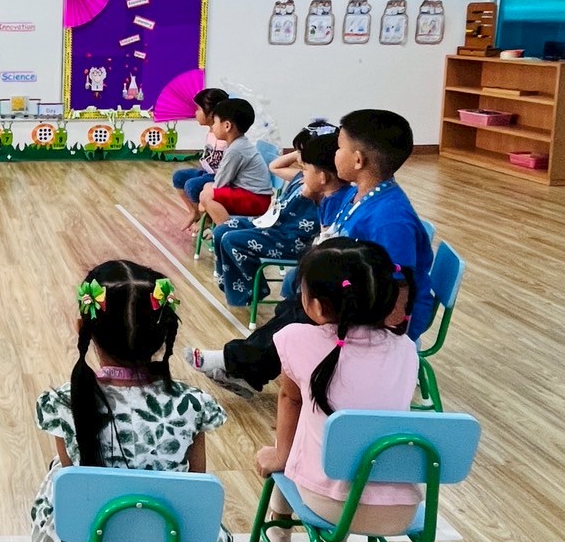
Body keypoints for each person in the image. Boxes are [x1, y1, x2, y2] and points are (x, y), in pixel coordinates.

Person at [30, 261, 234, 542]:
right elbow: (195, 484)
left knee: (58, 477)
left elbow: (73, 484)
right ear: (165, 332)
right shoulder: (193, 405)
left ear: (82, 327)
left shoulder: (64, 403)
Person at [184, 109, 434, 397]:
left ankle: (238, 364)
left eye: (339, 147)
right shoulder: (361, 196)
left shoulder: (389, 218)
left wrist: (392, 340)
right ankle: (245, 371)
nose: (334, 154)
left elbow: (400, 286)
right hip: (359, 297)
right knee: (295, 308)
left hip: (383, 316)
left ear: (357, 160)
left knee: (303, 317)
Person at [253, 238, 422, 542]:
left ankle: (280, 530)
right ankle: (337, 540)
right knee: (349, 432)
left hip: (328, 504)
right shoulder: (407, 349)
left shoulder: (295, 338)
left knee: (296, 436)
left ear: (317, 305)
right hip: (401, 510)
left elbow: (290, 399)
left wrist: (279, 456)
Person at [211, 124, 343, 307]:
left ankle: (251, 292)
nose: (300, 158)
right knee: (221, 230)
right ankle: (235, 285)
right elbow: (274, 166)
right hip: (271, 225)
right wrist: (299, 155)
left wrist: (311, 191)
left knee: (231, 239)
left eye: (303, 153)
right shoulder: (302, 176)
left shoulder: (321, 189)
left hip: (289, 239)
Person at [197, 97, 274, 224]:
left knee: (207, 196)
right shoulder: (238, 144)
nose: (213, 126)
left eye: (215, 122)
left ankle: (225, 229)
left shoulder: (236, 150)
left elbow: (220, 183)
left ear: (227, 126)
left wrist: (203, 201)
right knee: (207, 187)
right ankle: (220, 225)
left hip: (256, 200)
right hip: (251, 195)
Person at [172, 87, 229, 231]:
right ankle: (194, 212)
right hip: (206, 171)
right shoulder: (211, 130)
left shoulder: (225, 133)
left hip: (218, 176)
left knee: (192, 185)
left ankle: (208, 219)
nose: (195, 113)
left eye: (198, 109)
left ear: (212, 112)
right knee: (179, 176)